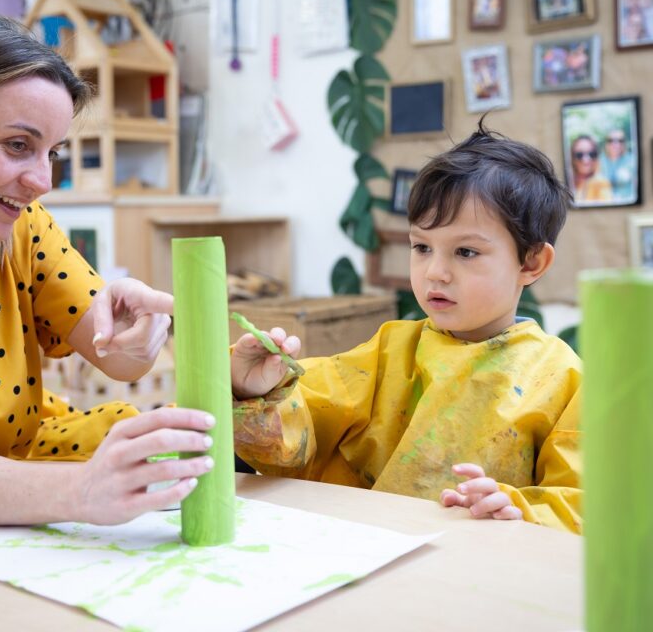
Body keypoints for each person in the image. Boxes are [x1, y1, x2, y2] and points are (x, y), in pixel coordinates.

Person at [0, 13, 215, 526]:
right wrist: (79, 492)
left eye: (52, 152)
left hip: (29, 460)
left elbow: (117, 358)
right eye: (18, 145)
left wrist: (136, 331)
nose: (43, 180)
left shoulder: (23, 227)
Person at [230, 123, 582, 533]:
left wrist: (519, 509)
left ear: (531, 263)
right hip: (372, 550)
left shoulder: (562, 378)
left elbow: (582, 503)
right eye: (422, 247)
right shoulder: (388, 351)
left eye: (466, 252)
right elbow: (298, 427)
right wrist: (255, 391)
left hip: (481, 564)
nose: (435, 272)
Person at [569, 134, 611, 204]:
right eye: (579, 155)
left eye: (592, 154)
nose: (586, 160)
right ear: (572, 157)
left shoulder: (601, 183)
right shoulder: (567, 182)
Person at [598, 128, 635, 202]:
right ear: (606, 143)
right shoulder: (597, 161)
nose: (616, 144)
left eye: (620, 141)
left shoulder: (633, 160)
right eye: (611, 140)